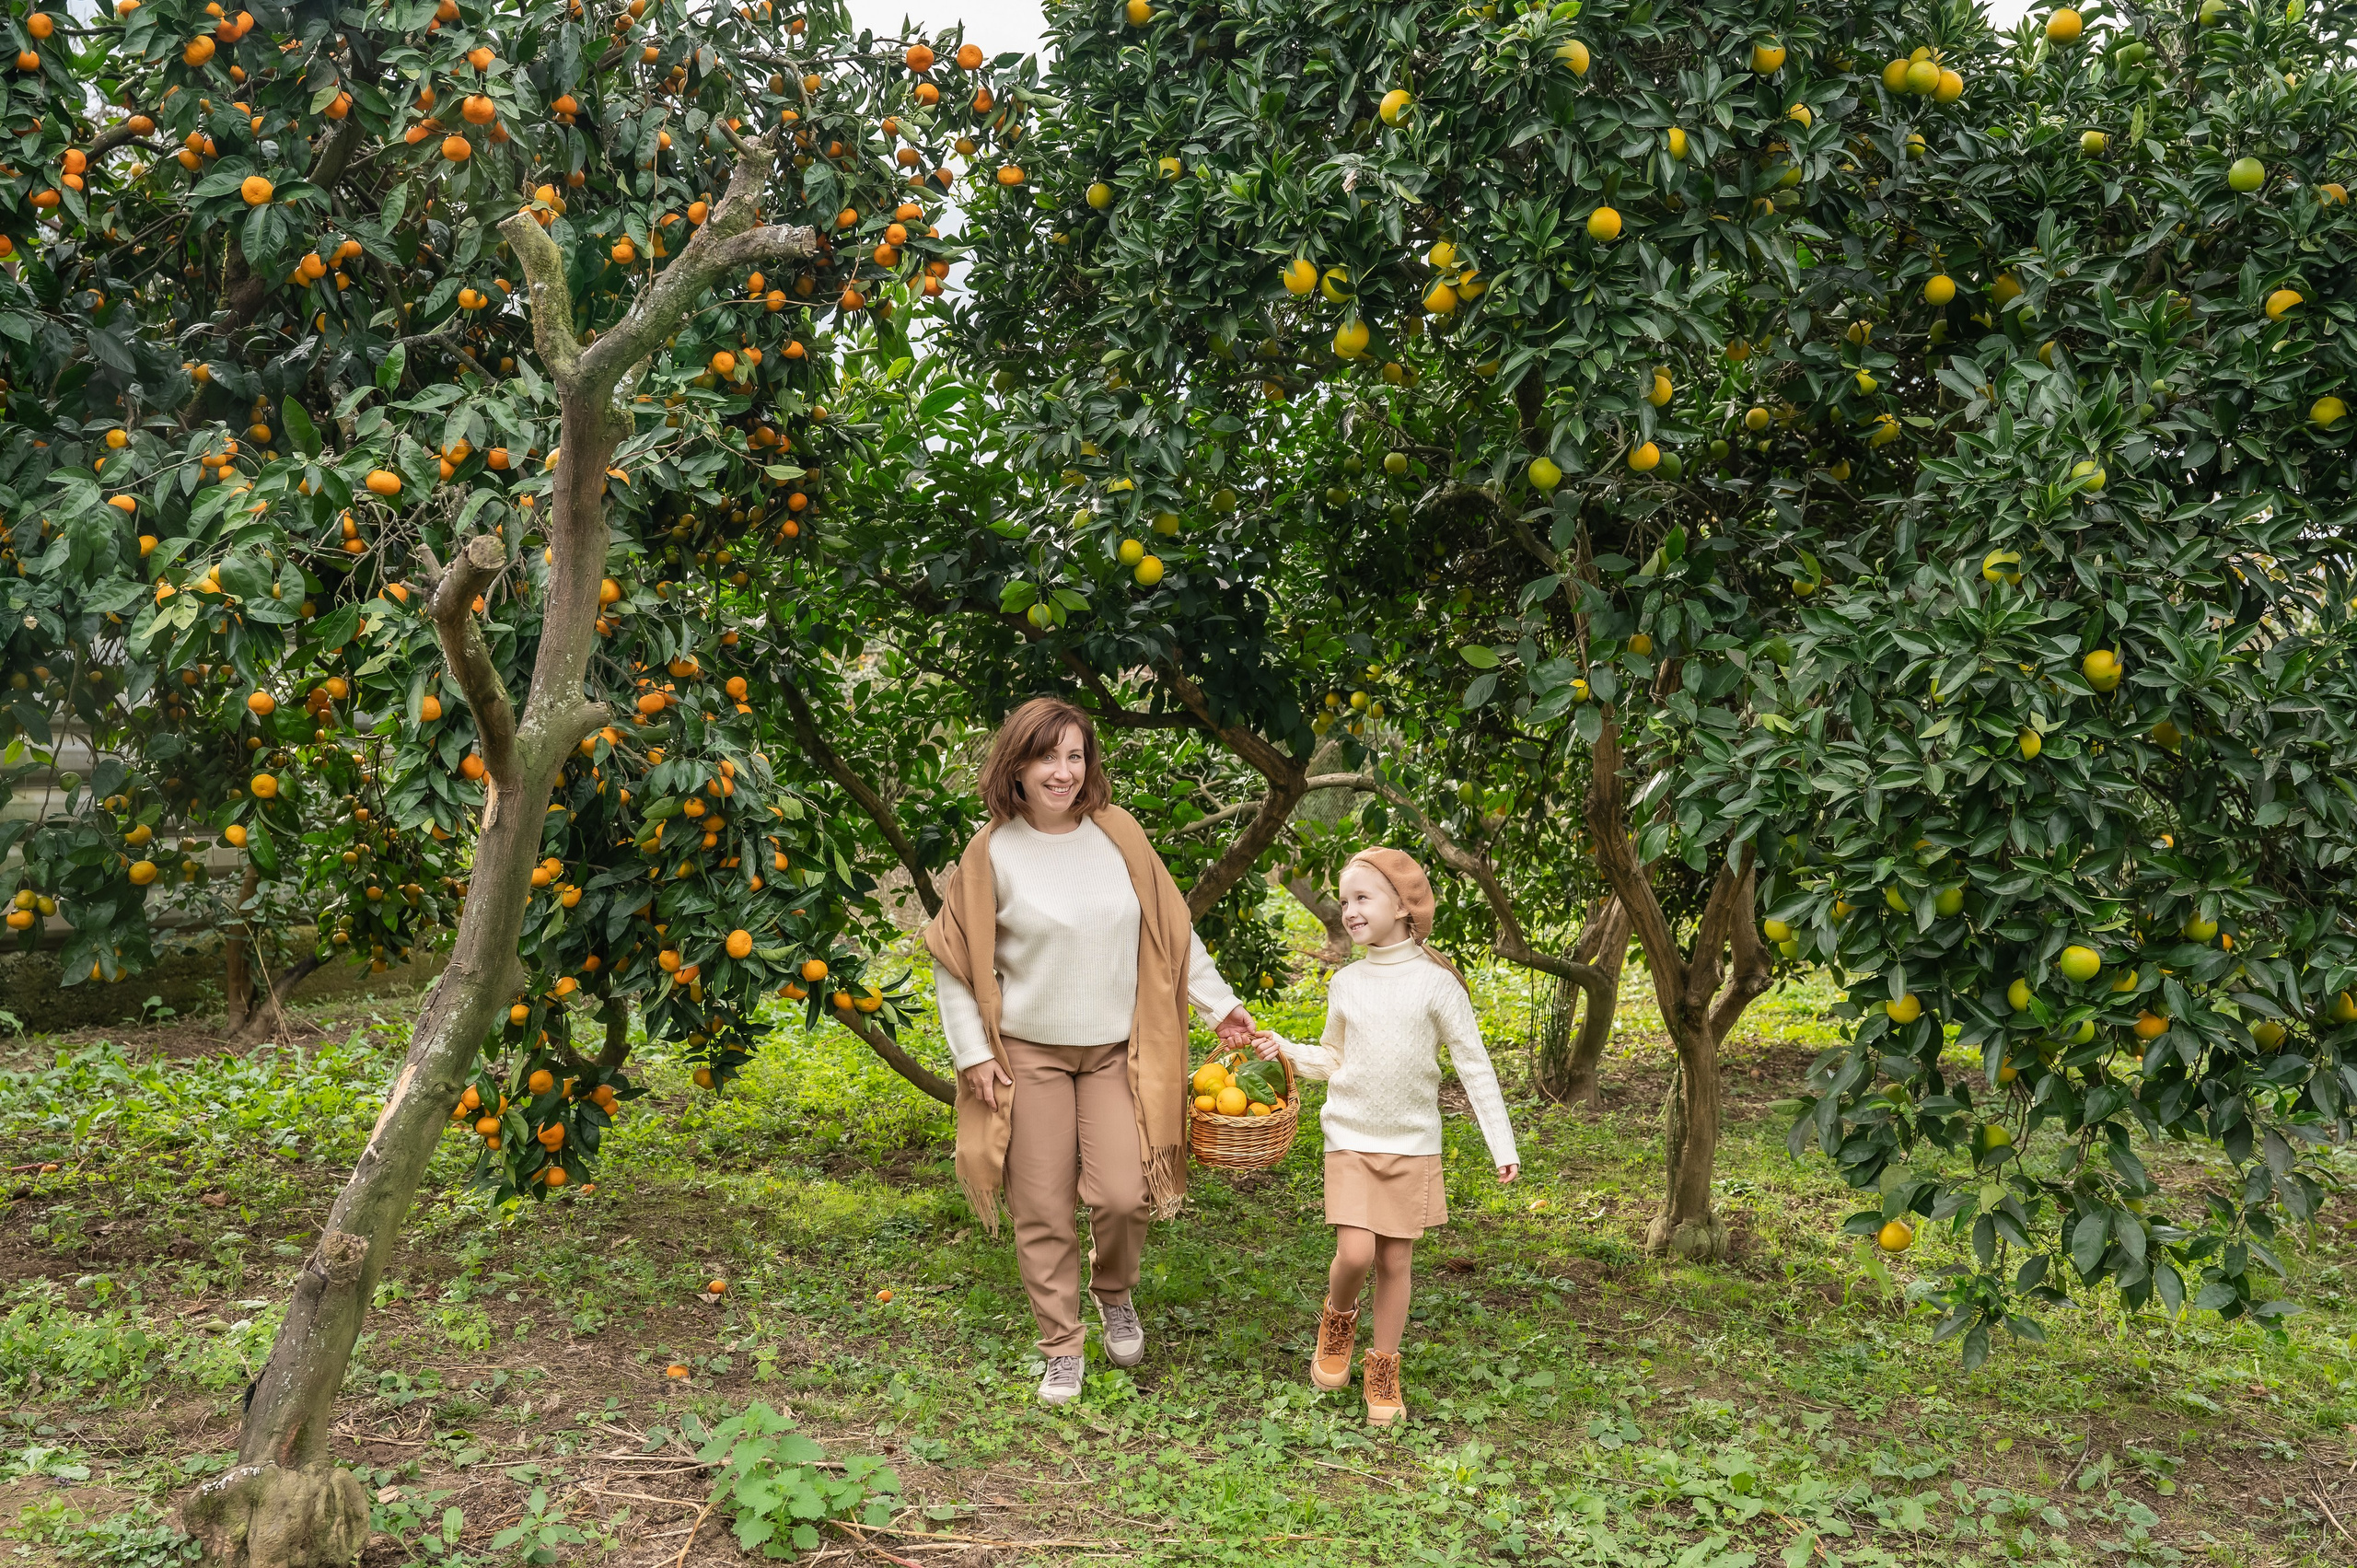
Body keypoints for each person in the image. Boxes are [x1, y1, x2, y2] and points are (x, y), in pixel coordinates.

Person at [923, 697, 1258, 1406]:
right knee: (1041, 1206)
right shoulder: (990, 853)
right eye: (1048, 756)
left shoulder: (1120, 834)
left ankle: (1115, 1292)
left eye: (1076, 756)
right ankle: (1061, 1346)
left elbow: (1172, 930)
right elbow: (955, 963)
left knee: (1124, 1194)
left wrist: (1220, 1002)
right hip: (1027, 1054)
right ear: (1016, 764)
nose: (1064, 771)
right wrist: (973, 1053)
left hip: (1114, 1050)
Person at [1254, 847, 1518, 1425]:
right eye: (1344, 900)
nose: (1349, 910)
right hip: (1349, 1134)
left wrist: (1503, 1143)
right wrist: (1287, 1050)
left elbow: (1474, 1064)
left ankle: (1383, 1365)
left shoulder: (1437, 985)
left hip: (1412, 1143)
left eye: (1362, 898)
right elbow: (1333, 1056)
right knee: (1356, 1252)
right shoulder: (1347, 982)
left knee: (1396, 1261)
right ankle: (1338, 1318)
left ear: (1404, 905)